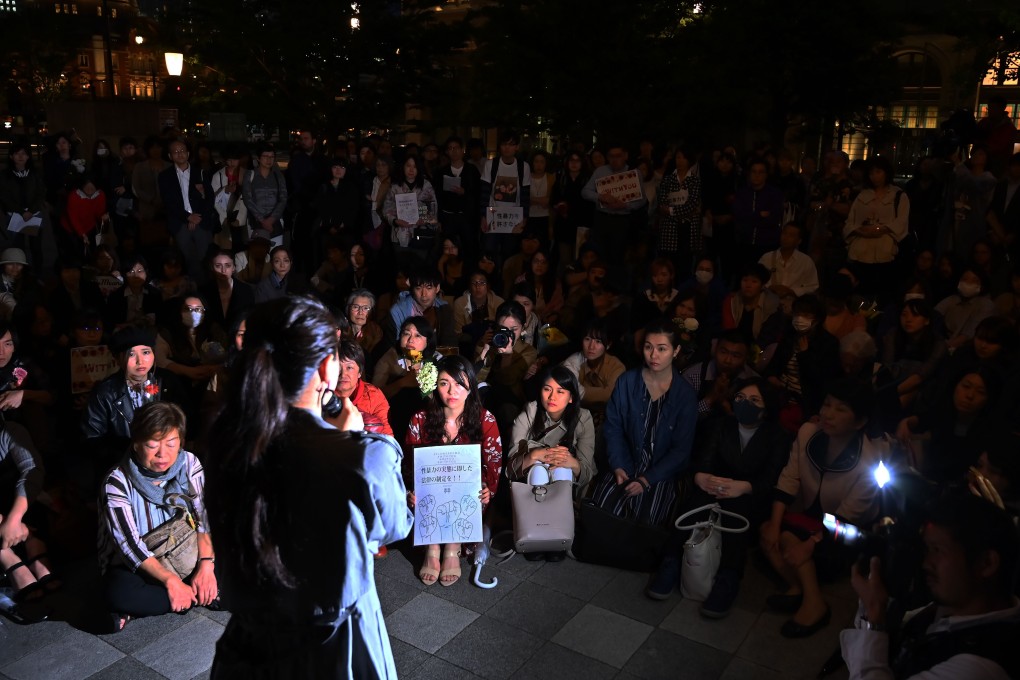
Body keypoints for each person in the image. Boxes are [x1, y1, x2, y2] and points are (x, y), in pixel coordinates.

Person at [205, 295, 411, 677]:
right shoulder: (363, 456)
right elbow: (395, 525)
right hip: (334, 647)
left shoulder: (226, 440)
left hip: (250, 644)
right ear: (324, 366)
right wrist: (353, 440)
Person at [647, 378, 789, 613]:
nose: (746, 404)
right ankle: (670, 562)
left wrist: (743, 486)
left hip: (748, 494)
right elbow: (704, 460)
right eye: (741, 398)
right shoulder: (721, 425)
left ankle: (729, 577)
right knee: (697, 501)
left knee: (737, 508)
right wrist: (701, 477)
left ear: (767, 407)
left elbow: (771, 478)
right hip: (714, 487)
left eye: (755, 400)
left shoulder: (778, 436)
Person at [841, 494, 1020, 680]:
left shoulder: (979, 667)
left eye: (937, 550)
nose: (926, 563)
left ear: (987, 563)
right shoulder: (958, 608)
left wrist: (874, 619)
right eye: (926, 550)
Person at [760, 378, 881, 638]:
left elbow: (847, 519)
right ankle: (799, 588)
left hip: (847, 533)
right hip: (810, 518)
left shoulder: (868, 462)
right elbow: (789, 478)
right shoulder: (808, 433)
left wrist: (810, 543)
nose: (828, 414)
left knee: (791, 540)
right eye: (827, 404)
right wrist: (774, 522)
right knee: (769, 531)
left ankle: (814, 604)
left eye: (841, 409)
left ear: (859, 422)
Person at [98, 402, 217, 632]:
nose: (163, 454)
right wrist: (171, 581)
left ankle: (185, 593)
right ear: (136, 444)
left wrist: (206, 567)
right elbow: (129, 546)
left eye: (171, 444)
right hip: (145, 563)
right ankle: (193, 593)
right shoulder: (116, 482)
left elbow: (204, 519)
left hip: (185, 547)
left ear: (181, 442)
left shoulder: (190, 463)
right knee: (118, 593)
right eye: (152, 445)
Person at [589, 319, 698, 527]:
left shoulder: (684, 395)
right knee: (603, 515)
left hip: (661, 472)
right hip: (627, 461)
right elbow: (614, 428)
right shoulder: (627, 382)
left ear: (676, 351)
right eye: (648, 347)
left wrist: (646, 479)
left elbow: (681, 450)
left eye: (662, 349)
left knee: (647, 523)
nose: (654, 355)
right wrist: (619, 465)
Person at [404, 355, 500, 586]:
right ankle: (433, 547)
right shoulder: (420, 419)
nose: (451, 391)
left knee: (477, 492)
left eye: (459, 383)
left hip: (467, 494)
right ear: (435, 387)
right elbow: (409, 465)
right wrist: (410, 491)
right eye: (444, 383)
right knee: (422, 492)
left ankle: (453, 547)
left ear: (470, 387)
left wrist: (487, 487)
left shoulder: (485, 419)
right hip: (431, 495)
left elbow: (493, 462)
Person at [508, 367, 595, 560]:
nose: (552, 397)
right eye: (547, 389)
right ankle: (534, 534)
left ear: (571, 397)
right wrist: (535, 455)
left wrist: (572, 462)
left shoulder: (583, 418)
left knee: (562, 469)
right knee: (539, 471)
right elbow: (510, 468)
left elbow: (588, 471)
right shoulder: (530, 413)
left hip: (567, 484)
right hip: (531, 483)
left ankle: (560, 534)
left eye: (560, 391)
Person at [82, 327, 185, 479]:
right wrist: (134, 454)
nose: (140, 361)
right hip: (123, 466)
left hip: (167, 460)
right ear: (117, 359)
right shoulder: (105, 392)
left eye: (146, 352)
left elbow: (185, 422)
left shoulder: (168, 382)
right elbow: (93, 438)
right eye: (131, 354)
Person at [844, 156, 909, 304]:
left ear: (886, 173)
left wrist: (884, 229)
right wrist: (859, 231)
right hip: (860, 252)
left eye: (878, 172)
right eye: (871, 173)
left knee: (882, 294)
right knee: (860, 292)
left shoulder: (898, 195)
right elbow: (850, 221)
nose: (874, 176)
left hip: (885, 252)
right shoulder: (862, 194)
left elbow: (902, 222)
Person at [157, 139, 216, 282]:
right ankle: (192, 287)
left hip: (201, 220)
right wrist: (187, 217)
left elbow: (209, 198)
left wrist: (197, 217)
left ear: (188, 153)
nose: (180, 154)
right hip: (180, 222)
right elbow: (169, 202)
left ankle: (208, 286)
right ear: (170, 156)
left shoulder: (200, 172)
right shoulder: (165, 176)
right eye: (175, 152)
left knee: (206, 257)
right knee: (187, 258)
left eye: (182, 151)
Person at [682, 329, 758, 420]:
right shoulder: (693, 375)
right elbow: (682, 418)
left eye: (736, 356)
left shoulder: (753, 381)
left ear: (746, 358)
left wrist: (726, 406)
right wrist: (710, 398)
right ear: (715, 350)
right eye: (723, 352)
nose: (727, 360)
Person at [559, 317, 627, 420]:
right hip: (578, 413)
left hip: (608, 415)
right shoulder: (575, 361)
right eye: (587, 339)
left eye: (598, 341)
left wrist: (578, 391)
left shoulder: (616, 367)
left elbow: (609, 394)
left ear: (608, 345)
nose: (591, 346)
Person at [325, 340, 392, 437]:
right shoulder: (321, 395)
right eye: (337, 367)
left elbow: (387, 437)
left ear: (360, 372)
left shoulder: (373, 396)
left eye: (349, 367)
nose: (343, 374)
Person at [759, 223, 819, 298]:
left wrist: (792, 291)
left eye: (791, 235)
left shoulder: (806, 261)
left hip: (794, 304)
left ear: (799, 241)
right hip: (768, 301)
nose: (786, 237)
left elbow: (812, 286)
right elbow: (757, 279)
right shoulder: (767, 257)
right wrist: (770, 287)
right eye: (784, 233)